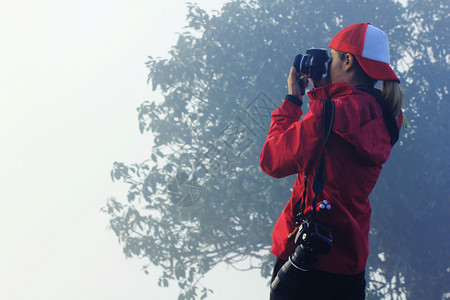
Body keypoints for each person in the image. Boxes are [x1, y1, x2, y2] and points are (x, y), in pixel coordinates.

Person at [259, 23, 404, 300]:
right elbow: (350, 121)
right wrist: (327, 91)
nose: (328, 65)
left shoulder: (328, 115)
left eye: (333, 57)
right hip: (350, 266)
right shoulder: (389, 117)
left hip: (308, 261)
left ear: (348, 61)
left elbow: (272, 159)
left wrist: (292, 100)